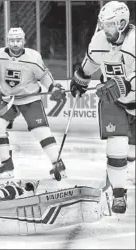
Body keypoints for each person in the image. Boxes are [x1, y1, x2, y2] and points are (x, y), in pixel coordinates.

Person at [69, 1, 135, 214]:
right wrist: (81, 78)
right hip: (113, 100)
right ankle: (118, 193)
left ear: (122, 24)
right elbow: (90, 64)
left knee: (130, 151)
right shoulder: (99, 39)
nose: (104, 28)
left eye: (110, 24)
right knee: (116, 146)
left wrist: (124, 84)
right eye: (103, 23)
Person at [0, 27, 67, 182]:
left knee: (40, 130)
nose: (15, 44)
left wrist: (53, 88)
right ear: (7, 41)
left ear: (24, 41)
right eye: (12, 40)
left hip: (30, 98)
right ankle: (7, 164)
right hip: (8, 99)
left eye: (18, 40)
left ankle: (57, 163)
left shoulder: (33, 57)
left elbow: (44, 76)